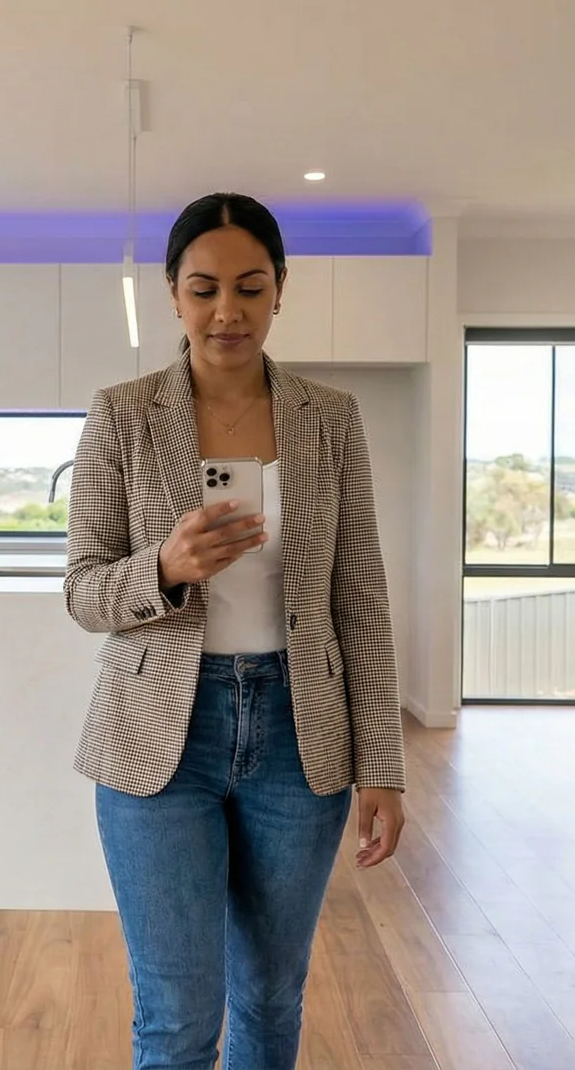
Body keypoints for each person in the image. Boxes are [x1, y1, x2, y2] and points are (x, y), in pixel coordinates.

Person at [62, 192, 408, 1068]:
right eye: (205, 287)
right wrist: (166, 568)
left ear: (281, 290)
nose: (228, 311)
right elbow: (84, 592)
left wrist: (383, 765)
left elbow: (359, 595)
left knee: (268, 995)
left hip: (302, 733)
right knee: (177, 1014)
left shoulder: (329, 418)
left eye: (251, 288)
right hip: (158, 742)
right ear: (174, 294)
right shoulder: (122, 413)